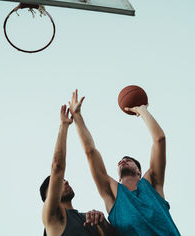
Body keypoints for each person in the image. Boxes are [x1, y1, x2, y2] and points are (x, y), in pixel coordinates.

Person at [68, 89, 181, 236]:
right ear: (119, 176)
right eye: (121, 161)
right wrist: (77, 117)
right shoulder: (112, 192)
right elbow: (90, 152)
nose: (123, 161)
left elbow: (159, 140)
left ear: (139, 171)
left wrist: (142, 110)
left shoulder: (152, 183)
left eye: (129, 160)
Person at [40, 104, 116, 236]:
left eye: (64, 179)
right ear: (50, 195)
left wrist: (102, 221)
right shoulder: (52, 218)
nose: (65, 182)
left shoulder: (88, 219)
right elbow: (57, 166)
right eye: (59, 182)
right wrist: (64, 125)